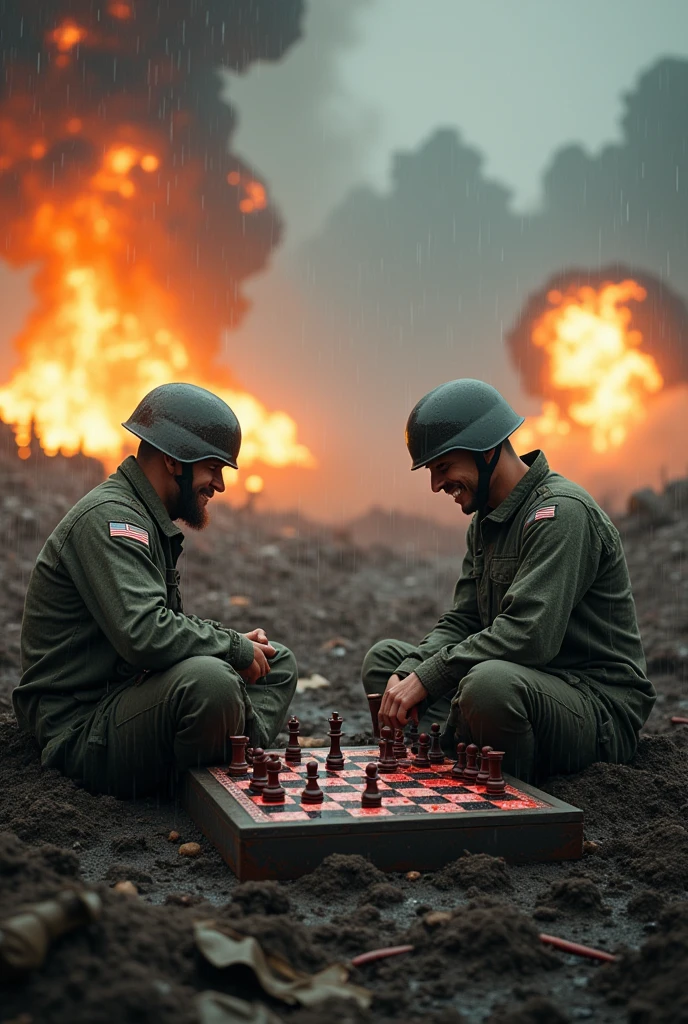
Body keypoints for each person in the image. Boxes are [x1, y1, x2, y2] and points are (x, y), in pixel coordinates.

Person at [362, 378, 655, 782]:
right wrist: (412, 670)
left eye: (443, 467)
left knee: (488, 687)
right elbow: (463, 620)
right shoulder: (486, 520)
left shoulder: (561, 514)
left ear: (486, 450)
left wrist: (430, 677)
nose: (435, 485)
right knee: (386, 666)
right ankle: (436, 769)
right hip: (521, 683)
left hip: (593, 706)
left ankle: (509, 795)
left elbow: (529, 637)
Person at [14, 383, 298, 797]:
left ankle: (227, 755)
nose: (218, 485)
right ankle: (199, 781)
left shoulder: (142, 515)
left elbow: (159, 626)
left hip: (127, 695)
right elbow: (145, 633)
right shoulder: (113, 519)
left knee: (277, 664)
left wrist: (235, 646)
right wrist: (230, 647)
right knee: (212, 684)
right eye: (213, 468)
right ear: (172, 459)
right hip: (82, 727)